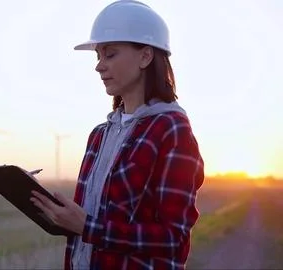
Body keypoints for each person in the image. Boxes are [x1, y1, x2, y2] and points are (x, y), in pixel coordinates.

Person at [30, 0, 205, 269]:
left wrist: (88, 227)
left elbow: (174, 240)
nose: (99, 66)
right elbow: (91, 224)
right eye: (98, 56)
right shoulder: (99, 135)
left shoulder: (172, 130)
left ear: (145, 57)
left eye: (110, 54)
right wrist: (59, 216)